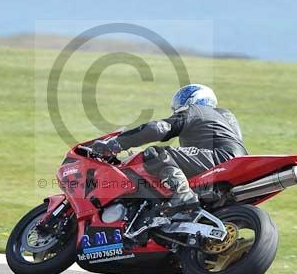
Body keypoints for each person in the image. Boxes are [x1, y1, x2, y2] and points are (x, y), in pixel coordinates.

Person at [92, 84, 247, 214]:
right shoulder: (224, 119)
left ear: (194, 99)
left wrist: (118, 143)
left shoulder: (196, 110)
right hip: (237, 161)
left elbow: (159, 128)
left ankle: (183, 194)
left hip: (219, 158)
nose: (178, 108)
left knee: (156, 154)